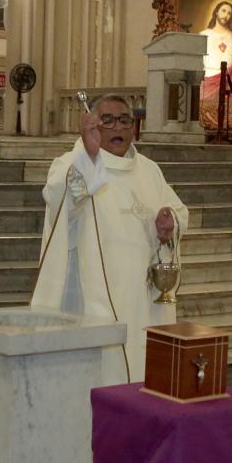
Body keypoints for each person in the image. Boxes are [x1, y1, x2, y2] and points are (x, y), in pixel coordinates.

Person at [31, 94, 189, 386]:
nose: (117, 127)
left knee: (144, 371)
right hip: (95, 298)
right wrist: (89, 157)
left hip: (145, 299)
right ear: (93, 126)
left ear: (134, 127)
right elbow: (63, 198)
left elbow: (178, 210)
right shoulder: (72, 164)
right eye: (108, 120)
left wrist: (171, 221)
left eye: (125, 120)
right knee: (104, 380)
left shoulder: (149, 170)